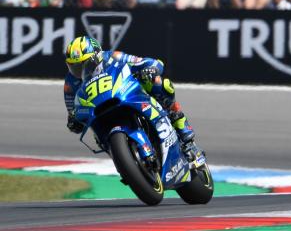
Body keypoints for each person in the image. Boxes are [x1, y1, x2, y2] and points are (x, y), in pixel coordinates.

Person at [63, 36, 200, 157]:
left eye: (83, 65)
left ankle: (181, 127)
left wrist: (150, 69)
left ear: (97, 56)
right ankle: (123, 159)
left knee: (159, 83)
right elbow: (72, 110)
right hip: (99, 114)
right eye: (73, 67)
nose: (78, 71)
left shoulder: (113, 57)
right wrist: (73, 121)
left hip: (124, 94)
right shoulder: (70, 84)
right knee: (95, 133)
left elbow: (150, 63)